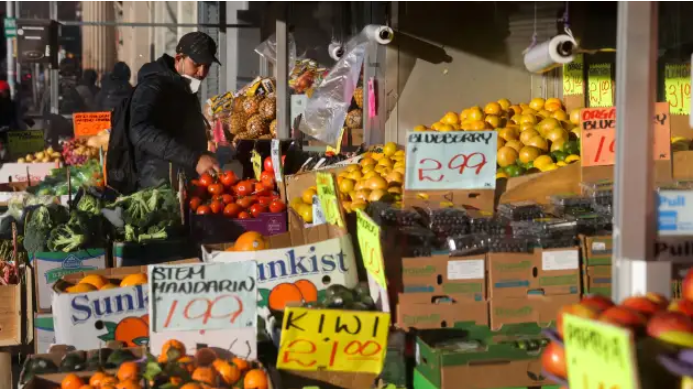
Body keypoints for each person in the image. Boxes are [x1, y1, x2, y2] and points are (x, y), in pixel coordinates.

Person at [128, 31, 220, 190]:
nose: (202, 73)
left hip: (181, 180)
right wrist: (195, 158)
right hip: (158, 185)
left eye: (207, 66)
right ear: (179, 59)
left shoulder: (184, 86)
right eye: (196, 64)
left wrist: (202, 154)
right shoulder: (153, 86)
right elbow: (139, 130)